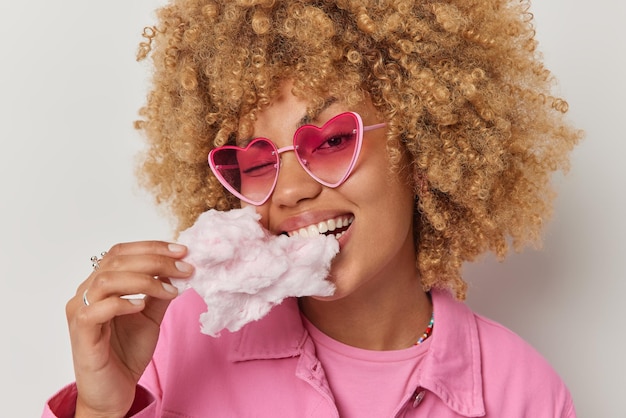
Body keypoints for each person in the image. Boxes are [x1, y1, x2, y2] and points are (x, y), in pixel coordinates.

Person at [43, 0, 581, 416]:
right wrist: (101, 410)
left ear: (421, 147)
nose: (290, 191)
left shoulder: (520, 392)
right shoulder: (178, 339)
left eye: (329, 141)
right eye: (256, 161)